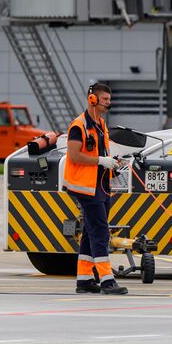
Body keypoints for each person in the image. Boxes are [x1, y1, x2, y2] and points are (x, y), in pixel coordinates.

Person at [63, 82, 128, 295]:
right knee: (100, 231)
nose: (109, 103)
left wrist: (112, 163)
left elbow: (100, 154)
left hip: (100, 186)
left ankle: (84, 280)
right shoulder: (78, 125)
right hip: (85, 188)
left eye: (110, 99)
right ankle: (107, 280)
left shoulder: (100, 124)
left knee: (91, 233)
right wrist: (101, 161)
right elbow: (74, 155)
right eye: (106, 100)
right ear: (93, 100)